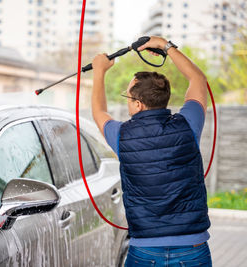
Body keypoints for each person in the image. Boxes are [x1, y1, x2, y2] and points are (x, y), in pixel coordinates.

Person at [91, 36, 212, 266]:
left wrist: (99, 71)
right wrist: (165, 45)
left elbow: (98, 111)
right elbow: (198, 78)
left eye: (128, 96)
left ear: (138, 104)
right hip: (193, 250)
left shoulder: (121, 135)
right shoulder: (188, 124)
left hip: (145, 252)